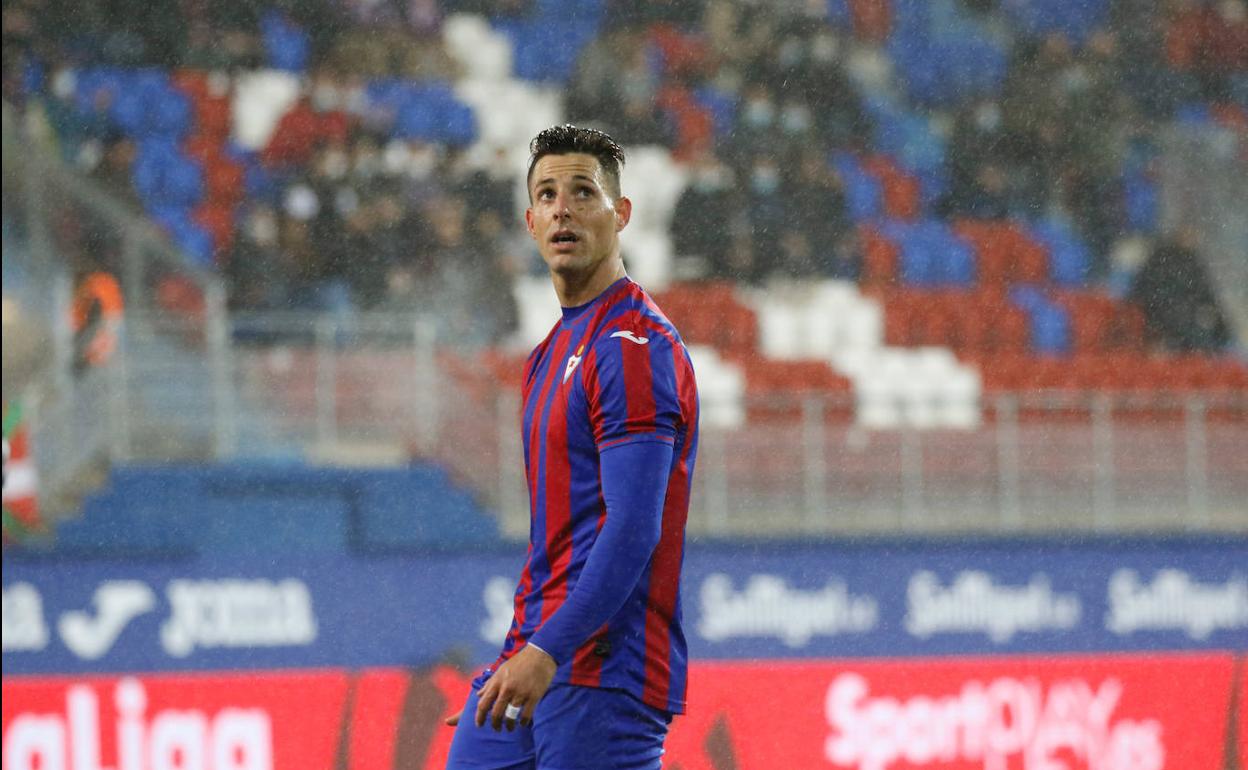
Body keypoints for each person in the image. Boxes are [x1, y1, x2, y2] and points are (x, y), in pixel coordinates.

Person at [444, 125, 700, 769]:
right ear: (530, 223)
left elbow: (633, 528)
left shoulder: (633, 347)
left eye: (584, 192)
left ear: (622, 214)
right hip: (539, 655)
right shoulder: (546, 356)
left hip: (604, 671)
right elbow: (559, 537)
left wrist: (545, 652)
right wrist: (520, 656)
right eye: (547, 195)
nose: (563, 208)